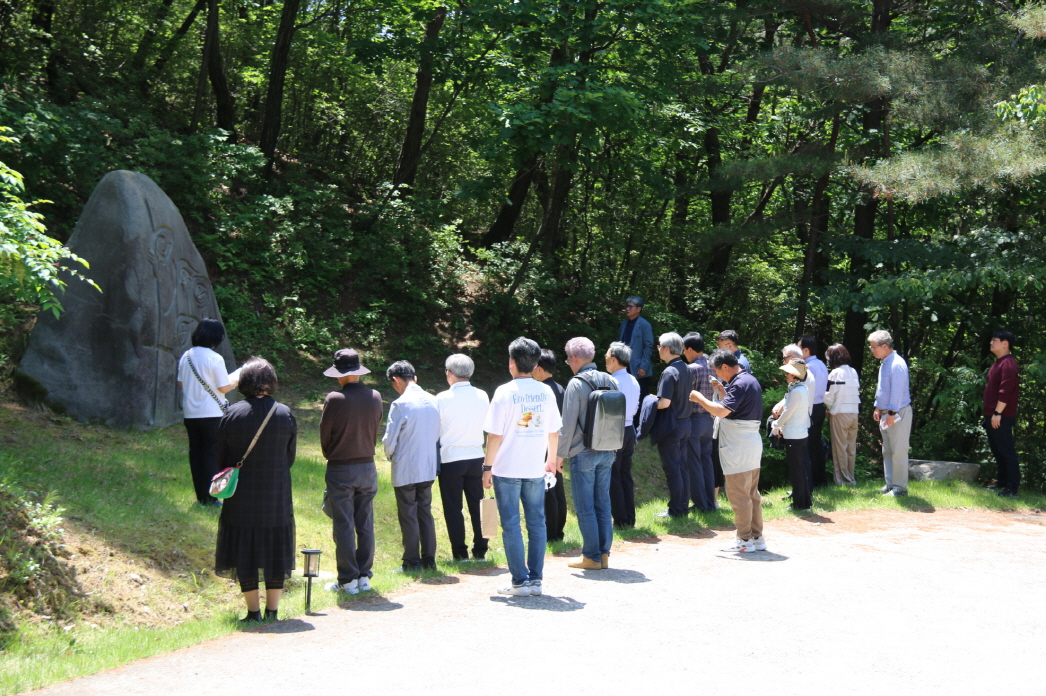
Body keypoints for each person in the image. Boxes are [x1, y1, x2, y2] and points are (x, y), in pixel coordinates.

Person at [214, 357, 297, 622]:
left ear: (244, 383)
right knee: (275, 548)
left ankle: (253, 613)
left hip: (242, 496)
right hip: (276, 493)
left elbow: (221, 458)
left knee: (244, 549)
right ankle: (273, 610)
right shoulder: (285, 414)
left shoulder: (232, 414)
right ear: (271, 382)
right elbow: (290, 458)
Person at [483, 337, 561, 596]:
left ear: (511, 363)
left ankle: (519, 581)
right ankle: (536, 580)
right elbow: (553, 431)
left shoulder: (504, 392)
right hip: (534, 469)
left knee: (512, 524)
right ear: (536, 363)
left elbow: (494, 435)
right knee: (537, 523)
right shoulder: (545, 391)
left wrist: (487, 467)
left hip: (506, 469)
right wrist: (551, 460)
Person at [320, 348, 383, 595]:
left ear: (339, 374)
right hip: (368, 466)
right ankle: (364, 576)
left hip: (341, 467)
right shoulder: (375, 396)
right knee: (365, 522)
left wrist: (332, 453)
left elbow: (325, 438)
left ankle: (347, 580)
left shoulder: (334, 399)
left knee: (344, 524)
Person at [692, 350, 766, 553]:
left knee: (738, 493)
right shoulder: (749, 380)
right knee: (751, 493)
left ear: (725, 367)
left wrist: (700, 398)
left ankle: (744, 540)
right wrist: (723, 391)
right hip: (750, 443)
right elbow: (734, 408)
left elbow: (722, 411)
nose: (718, 376)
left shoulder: (740, 383)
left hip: (738, 446)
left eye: (718, 371)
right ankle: (756, 537)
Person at [558, 337, 620, 570]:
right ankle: (604, 555)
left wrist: (559, 455)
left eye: (568, 359)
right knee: (603, 504)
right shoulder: (611, 380)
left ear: (574, 358)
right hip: (607, 449)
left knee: (585, 507)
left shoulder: (576, 383)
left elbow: (568, 423)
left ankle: (591, 557)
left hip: (582, 453)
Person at [383, 360, 441, 571]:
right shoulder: (434, 400)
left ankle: (411, 561)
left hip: (407, 466)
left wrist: (389, 455)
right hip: (428, 465)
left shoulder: (400, 404)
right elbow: (437, 434)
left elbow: (390, 440)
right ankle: (429, 559)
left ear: (396, 380)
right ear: (414, 378)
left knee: (408, 513)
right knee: (425, 511)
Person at [177, 319, 238, 506]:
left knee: (196, 454)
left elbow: (180, 384)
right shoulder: (214, 358)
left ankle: (201, 496)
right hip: (212, 414)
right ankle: (212, 497)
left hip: (190, 414)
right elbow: (224, 387)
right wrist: (238, 377)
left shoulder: (186, 356)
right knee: (211, 455)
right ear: (216, 338)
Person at [436, 354, 490, 561]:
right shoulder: (482, 395)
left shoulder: (441, 398)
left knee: (453, 508)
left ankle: (460, 553)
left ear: (449, 374)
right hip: (477, 455)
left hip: (450, 458)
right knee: (478, 505)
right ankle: (481, 550)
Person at [654, 332, 693, 518]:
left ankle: (676, 509)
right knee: (682, 467)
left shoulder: (669, 372)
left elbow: (664, 403)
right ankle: (682, 506)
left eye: (659, 345)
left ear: (667, 349)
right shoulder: (686, 367)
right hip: (686, 423)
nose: (658, 349)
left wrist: (649, 401)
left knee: (672, 469)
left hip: (671, 426)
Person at [869, 330, 911, 497]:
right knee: (887, 450)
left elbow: (897, 392)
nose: (871, 350)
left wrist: (892, 413)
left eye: (873, 347)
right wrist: (878, 408)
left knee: (898, 451)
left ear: (884, 346)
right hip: (887, 412)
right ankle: (890, 484)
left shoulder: (896, 364)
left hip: (898, 412)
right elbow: (883, 389)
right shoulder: (885, 362)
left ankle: (900, 488)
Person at [532, 349, 568, 542]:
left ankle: (551, 533)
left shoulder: (544, 390)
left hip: (547, 445)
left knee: (548, 490)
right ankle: (558, 531)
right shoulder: (560, 388)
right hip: (559, 445)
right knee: (558, 489)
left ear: (539, 369)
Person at [605, 342, 640, 528]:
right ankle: (630, 517)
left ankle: (620, 519)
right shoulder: (633, 380)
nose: (605, 359)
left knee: (614, 475)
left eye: (607, 356)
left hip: (615, 430)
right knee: (625, 474)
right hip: (629, 430)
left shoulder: (612, 382)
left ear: (614, 359)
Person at [770, 359, 812, 511]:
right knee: (800, 469)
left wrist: (777, 424)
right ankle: (804, 502)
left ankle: (800, 504)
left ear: (795, 375)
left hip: (795, 436)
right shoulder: (800, 388)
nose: (786, 374)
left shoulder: (797, 391)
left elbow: (788, 412)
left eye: (788, 372)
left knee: (797, 471)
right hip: (799, 434)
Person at [984, 329, 1020, 497]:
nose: (991, 342)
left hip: (1001, 415)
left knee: (1006, 450)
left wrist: (998, 413)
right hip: (993, 414)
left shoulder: (1009, 363)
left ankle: (1012, 488)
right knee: (997, 450)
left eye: (995, 340)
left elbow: (1006, 391)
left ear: (1005, 343)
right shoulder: (998, 362)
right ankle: (1002, 481)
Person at [683, 332, 716, 512]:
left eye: (684, 351)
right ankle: (710, 502)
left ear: (689, 349)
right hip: (709, 419)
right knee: (707, 461)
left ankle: (699, 504)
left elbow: (686, 396)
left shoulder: (691, 369)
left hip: (694, 420)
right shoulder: (713, 364)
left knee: (694, 463)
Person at [824, 344, 860, 486]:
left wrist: (827, 406)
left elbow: (830, 396)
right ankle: (851, 478)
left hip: (839, 413)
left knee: (839, 448)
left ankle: (842, 481)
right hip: (854, 413)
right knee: (851, 448)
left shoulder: (835, 373)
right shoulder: (853, 371)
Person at [799, 336, 829, 487]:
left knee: (808, 446)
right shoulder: (821, 364)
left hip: (810, 408)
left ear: (806, 350)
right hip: (819, 407)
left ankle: (811, 481)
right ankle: (820, 480)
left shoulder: (808, 366)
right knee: (816, 446)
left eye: (799, 349)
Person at [618, 296, 655, 400]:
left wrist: (643, 366)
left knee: (639, 398)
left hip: (638, 368)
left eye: (631, 306)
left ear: (639, 309)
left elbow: (648, 346)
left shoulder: (644, 325)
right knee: (624, 396)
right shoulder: (624, 324)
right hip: (623, 366)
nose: (627, 309)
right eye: (627, 306)